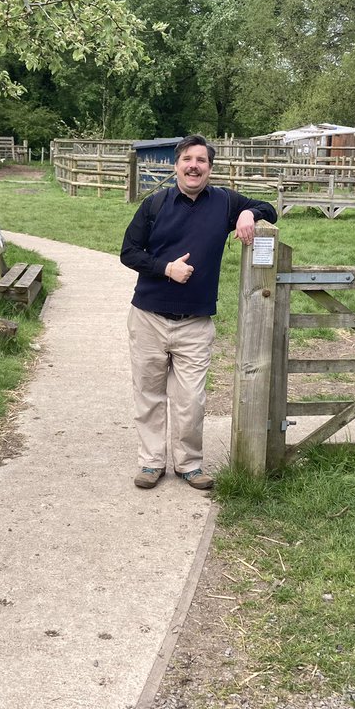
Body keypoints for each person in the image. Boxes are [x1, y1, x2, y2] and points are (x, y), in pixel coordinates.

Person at [119, 135, 278, 490]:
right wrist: (165, 268)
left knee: (190, 399)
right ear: (176, 165)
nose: (194, 166)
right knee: (149, 394)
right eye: (187, 159)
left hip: (195, 322)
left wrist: (249, 213)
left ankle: (189, 464)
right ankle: (151, 463)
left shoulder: (224, 202)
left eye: (201, 160)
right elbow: (128, 252)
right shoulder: (154, 204)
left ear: (210, 167)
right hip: (149, 316)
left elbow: (270, 208)